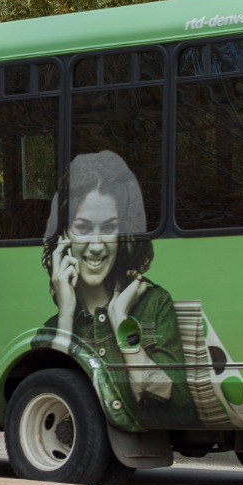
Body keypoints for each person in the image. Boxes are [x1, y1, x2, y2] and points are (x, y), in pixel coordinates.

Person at [40, 151, 186, 430]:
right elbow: (53, 387)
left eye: (109, 228)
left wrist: (122, 324)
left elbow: (179, 404)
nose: (96, 246)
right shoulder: (52, 328)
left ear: (125, 235)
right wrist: (66, 316)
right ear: (63, 236)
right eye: (83, 228)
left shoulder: (154, 303)